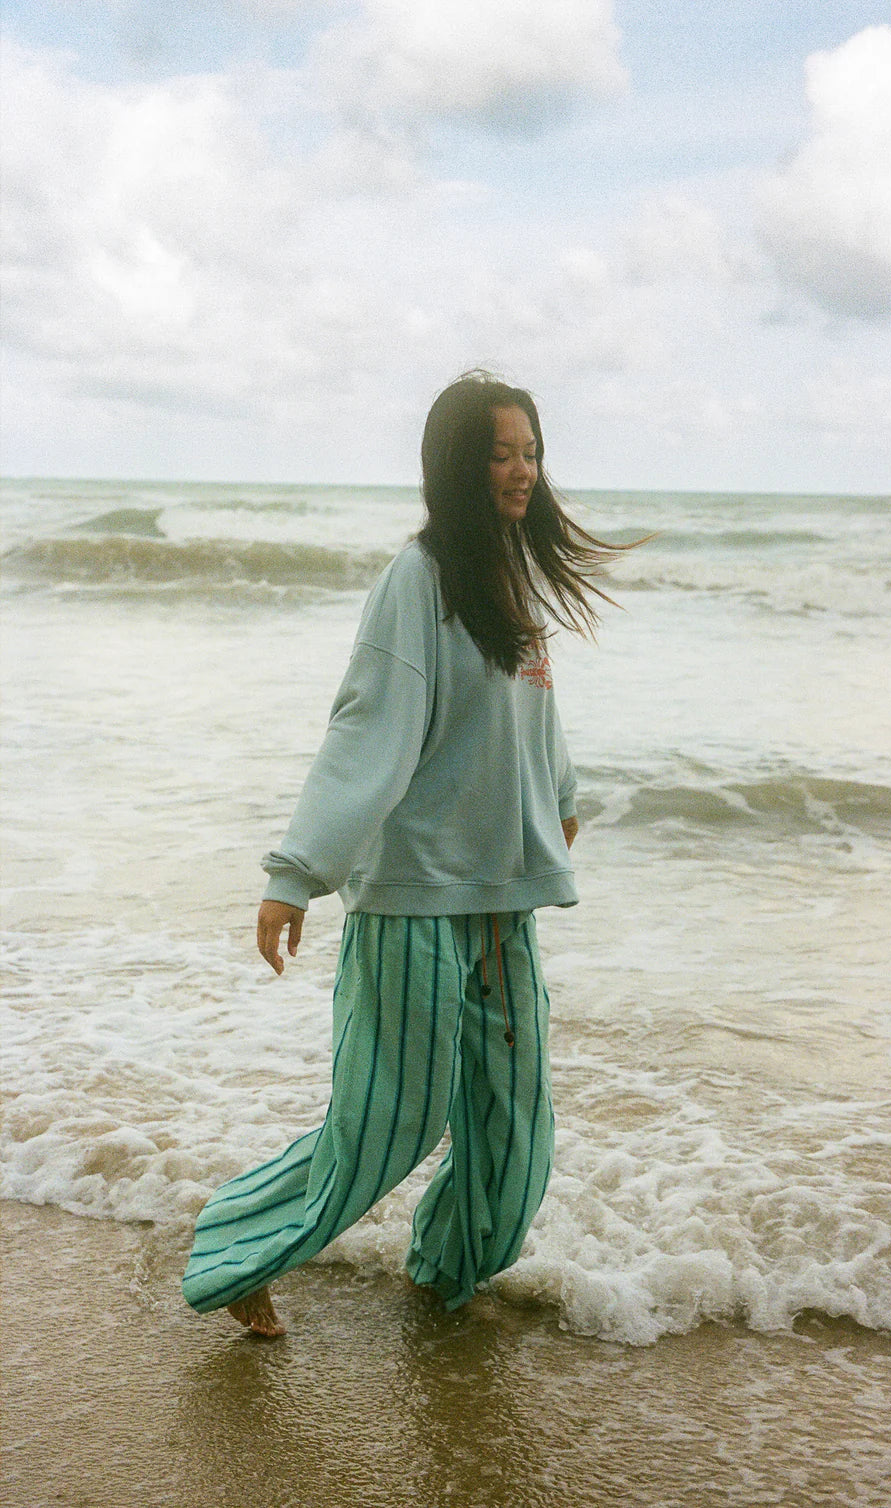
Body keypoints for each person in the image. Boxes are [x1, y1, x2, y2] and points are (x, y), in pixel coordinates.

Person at [181, 371, 624, 1336]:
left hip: (502, 899)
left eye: (531, 452)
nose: (521, 471)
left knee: (516, 1128)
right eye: (500, 454)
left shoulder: (511, 573)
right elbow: (368, 729)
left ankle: (444, 1279)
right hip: (414, 895)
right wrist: (297, 873)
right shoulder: (418, 580)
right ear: (458, 466)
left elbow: (533, 714)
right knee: (390, 1123)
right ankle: (236, 1246)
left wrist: (559, 804)